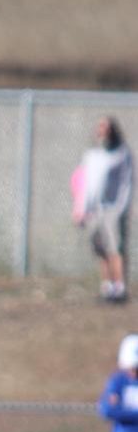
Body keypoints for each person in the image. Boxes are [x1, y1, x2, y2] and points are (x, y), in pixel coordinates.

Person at [75, 116, 133, 304]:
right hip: (94, 210)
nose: (102, 131)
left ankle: (120, 288)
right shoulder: (92, 154)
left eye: (106, 127)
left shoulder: (122, 153)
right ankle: (107, 287)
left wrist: (121, 207)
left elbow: (127, 183)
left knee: (115, 248)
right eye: (100, 127)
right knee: (101, 250)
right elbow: (85, 183)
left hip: (112, 209)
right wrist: (81, 208)